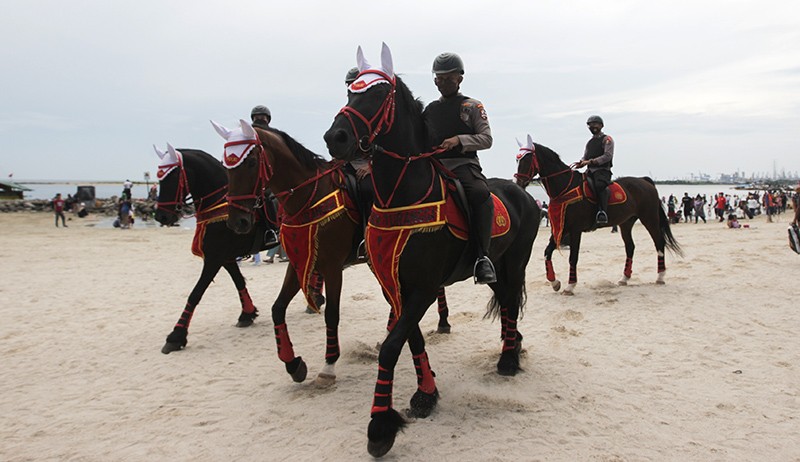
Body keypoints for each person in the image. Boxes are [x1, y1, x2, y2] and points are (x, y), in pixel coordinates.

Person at [422, 52, 496, 284]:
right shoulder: (430, 110)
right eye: (439, 79)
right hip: (434, 165)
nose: (442, 83)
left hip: (463, 165)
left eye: (448, 79)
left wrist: (459, 140)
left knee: (479, 193)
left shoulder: (472, 106)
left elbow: (486, 139)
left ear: (459, 79)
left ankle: (482, 257)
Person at [572, 115, 614, 224]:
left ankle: (602, 212)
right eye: (590, 125)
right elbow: (585, 156)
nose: (593, 126)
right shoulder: (589, 142)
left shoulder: (607, 139)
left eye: (595, 124)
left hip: (603, 171)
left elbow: (607, 156)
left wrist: (590, 162)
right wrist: (581, 163)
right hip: (589, 171)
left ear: (601, 125)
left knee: (599, 186)